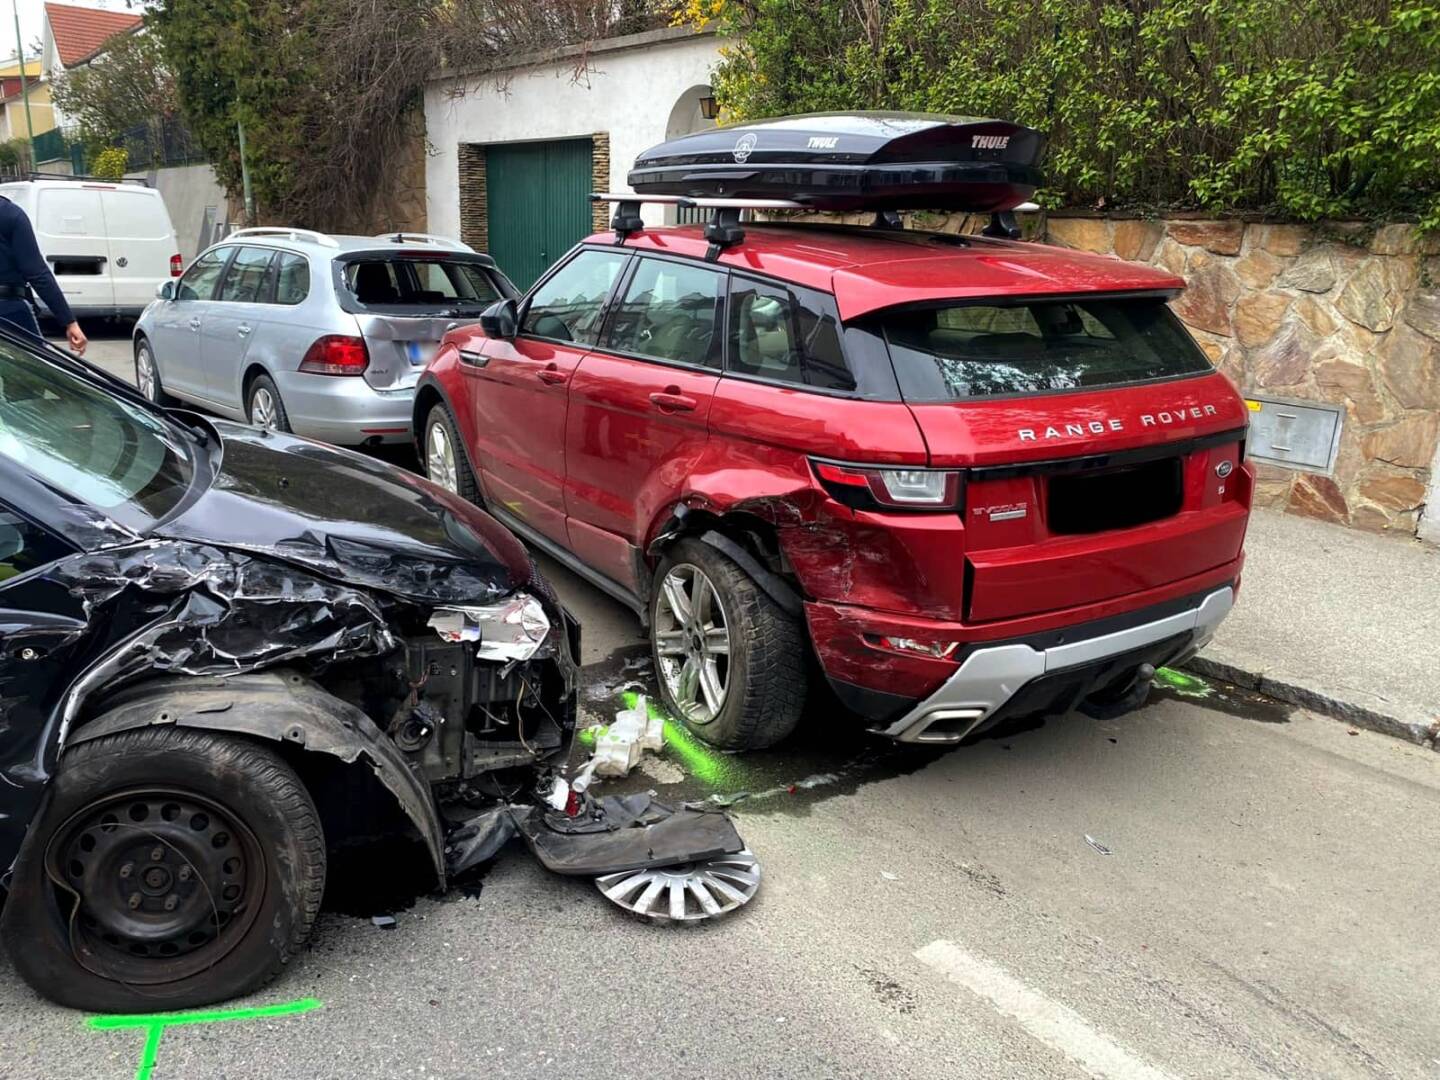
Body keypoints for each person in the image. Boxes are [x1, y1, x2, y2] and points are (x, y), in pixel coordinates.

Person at [0, 195, 87, 355]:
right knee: (38, 371)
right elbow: (36, 272)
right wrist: (69, 321)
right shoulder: (10, 214)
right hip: (8, 311)